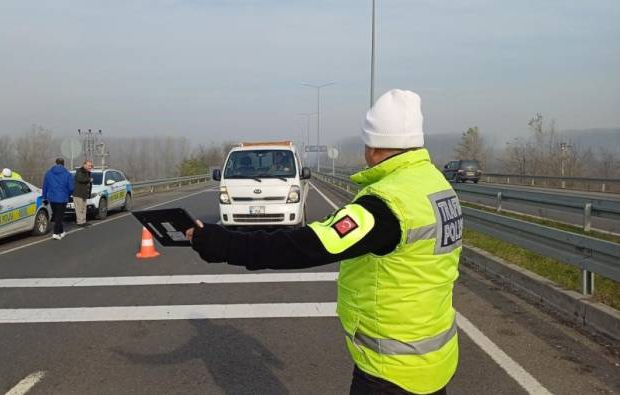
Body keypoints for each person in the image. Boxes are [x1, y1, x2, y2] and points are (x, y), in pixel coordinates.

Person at [186, 89, 461, 395]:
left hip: (391, 370)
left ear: (372, 146)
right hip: (436, 358)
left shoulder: (385, 204)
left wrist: (221, 243)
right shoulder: (437, 186)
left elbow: (306, 245)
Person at [42, 158, 74, 240]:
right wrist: (68, 194)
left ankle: (62, 231)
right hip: (62, 198)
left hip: (52, 198)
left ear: (56, 163)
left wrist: (44, 197)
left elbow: (45, 186)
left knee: (57, 215)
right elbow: (71, 188)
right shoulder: (68, 174)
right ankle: (56, 233)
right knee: (59, 216)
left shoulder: (48, 173)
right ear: (63, 164)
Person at [73, 160, 94, 227]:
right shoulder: (80, 171)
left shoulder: (87, 172)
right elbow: (80, 179)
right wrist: (89, 180)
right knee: (79, 209)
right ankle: (80, 222)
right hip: (78, 193)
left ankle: (84, 221)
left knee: (84, 208)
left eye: (90, 166)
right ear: (84, 165)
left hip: (84, 194)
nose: (90, 167)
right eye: (88, 165)